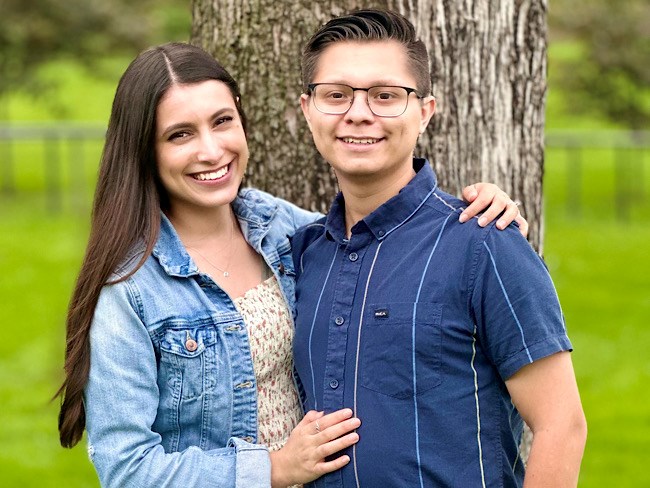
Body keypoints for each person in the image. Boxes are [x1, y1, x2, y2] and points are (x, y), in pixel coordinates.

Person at [55, 42, 527, 487]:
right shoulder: (133, 287)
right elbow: (126, 468)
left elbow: (388, 244)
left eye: (222, 121)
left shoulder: (283, 229)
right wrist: (275, 468)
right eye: (180, 134)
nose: (211, 150)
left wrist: (478, 216)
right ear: (145, 151)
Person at [292, 8, 587, 488]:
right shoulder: (304, 254)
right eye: (336, 95)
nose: (359, 112)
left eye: (386, 95)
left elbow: (562, 425)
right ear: (308, 109)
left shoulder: (484, 241)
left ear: (425, 111)